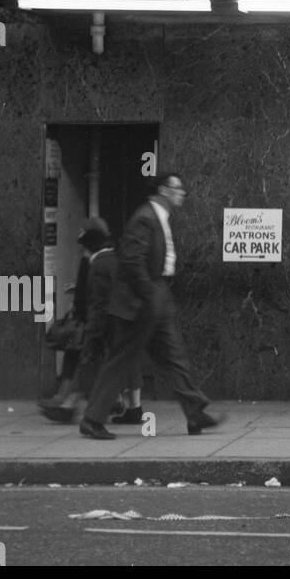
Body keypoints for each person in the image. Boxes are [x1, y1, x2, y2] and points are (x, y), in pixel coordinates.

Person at [80, 174, 221, 440]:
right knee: (122, 361)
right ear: (163, 190)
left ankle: (195, 412)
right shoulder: (145, 217)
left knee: (174, 355)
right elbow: (133, 261)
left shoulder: (160, 217)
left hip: (157, 294)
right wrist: (149, 295)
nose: (182, 194)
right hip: (139, 301)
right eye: (178, 189)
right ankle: (92, 419)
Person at [39, 218, 116, 424]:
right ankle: (67, 400)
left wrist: (83, 314)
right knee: (77, 358)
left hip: (91, 321)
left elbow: (93, 294)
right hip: (89, 319)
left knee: (85, 362)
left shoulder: (97, 259)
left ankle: (70, 403)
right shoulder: (99, 257)